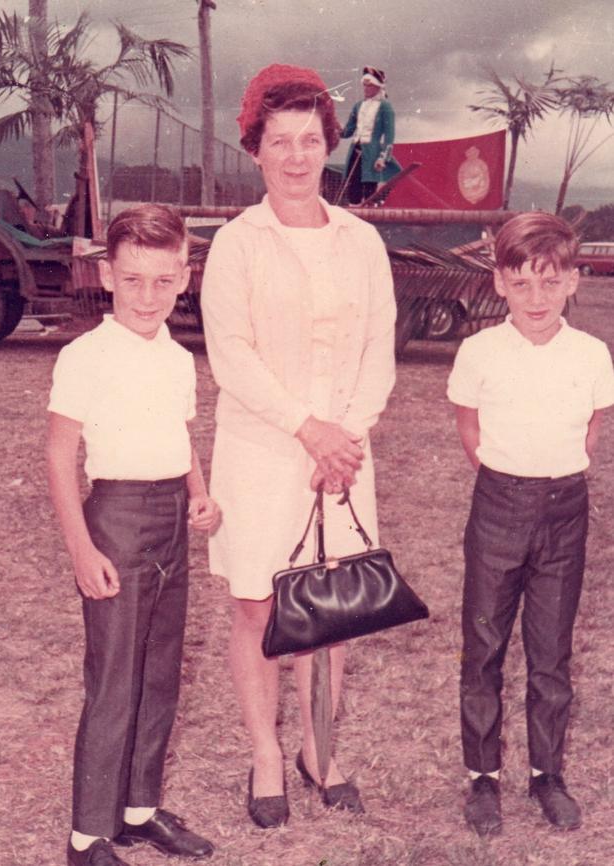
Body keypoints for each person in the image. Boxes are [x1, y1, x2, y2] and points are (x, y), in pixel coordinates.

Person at [201, 63, 396, 829]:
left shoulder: (361, 242)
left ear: (328, 145)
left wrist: (345, 435)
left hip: (344, 456)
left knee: (331, 610)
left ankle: (320, 750)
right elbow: (232, 355)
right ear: (255, 149)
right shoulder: (236, 245)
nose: (294, 156)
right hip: (263, 452)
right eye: (278, 141)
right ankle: (266, 756)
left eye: (309, 140)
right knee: (258, 607)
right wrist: (307, 429)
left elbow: (379, 346)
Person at [46, 204, 220, 866]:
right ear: (109, 277)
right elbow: (61, 456)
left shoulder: (177, 357)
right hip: (116, 522)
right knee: (115, 678)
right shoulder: (85, 355)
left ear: (183, 277)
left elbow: (181, 437)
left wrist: (199, 494)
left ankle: (138, 809)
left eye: (162, 279)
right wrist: (83, 549)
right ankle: (88, 835)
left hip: (172, 521)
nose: (148, 295)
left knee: (159, 671)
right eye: (133, 280)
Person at [447, 212, 614, 837]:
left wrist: (551, 479)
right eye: (522, 283)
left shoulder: (592, 354)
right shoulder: (479, 351)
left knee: (550, 654)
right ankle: (482, 777)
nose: (536, 298)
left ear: (573, 280)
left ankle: (548, 773)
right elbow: (469, 424)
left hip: (565, 511)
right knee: (484, 646)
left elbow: (591, 429)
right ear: (499, 284)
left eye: (550, 282)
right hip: (498, 508)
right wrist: (507, 480)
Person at [340, 66, 401, 205]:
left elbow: (389, 136)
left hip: (372, 154)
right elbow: (348, 131)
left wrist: (383, 158)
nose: (365, 89)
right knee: (353, 187)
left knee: (369, 190)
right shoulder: (357, 106)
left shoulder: (385, 107)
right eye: (364, 85)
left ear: (378, 87)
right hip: (354, 152)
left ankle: (370, 216)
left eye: (370, 85)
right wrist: (331, 128)